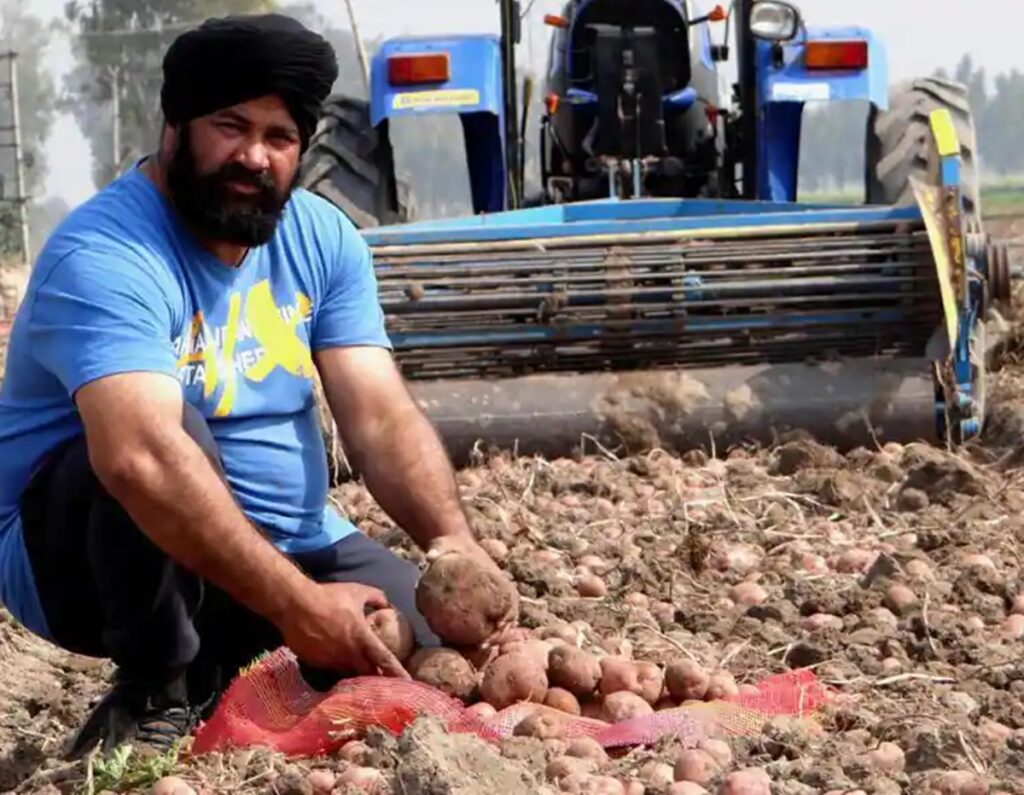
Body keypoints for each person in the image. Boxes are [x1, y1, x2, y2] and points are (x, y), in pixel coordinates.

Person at [0, 13, 510, 759]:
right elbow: (138, 458)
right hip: (81, 556)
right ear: (175, 127)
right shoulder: (105, 252)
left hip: (284, 545)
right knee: (166, 429)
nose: (253, 156)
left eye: (279, 138)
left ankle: (241, 661)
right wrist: (301, 607)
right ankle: (157, 688)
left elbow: (380, 420)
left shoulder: (323, 238)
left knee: (430, 657)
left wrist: (455, 545)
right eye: (230, 126)